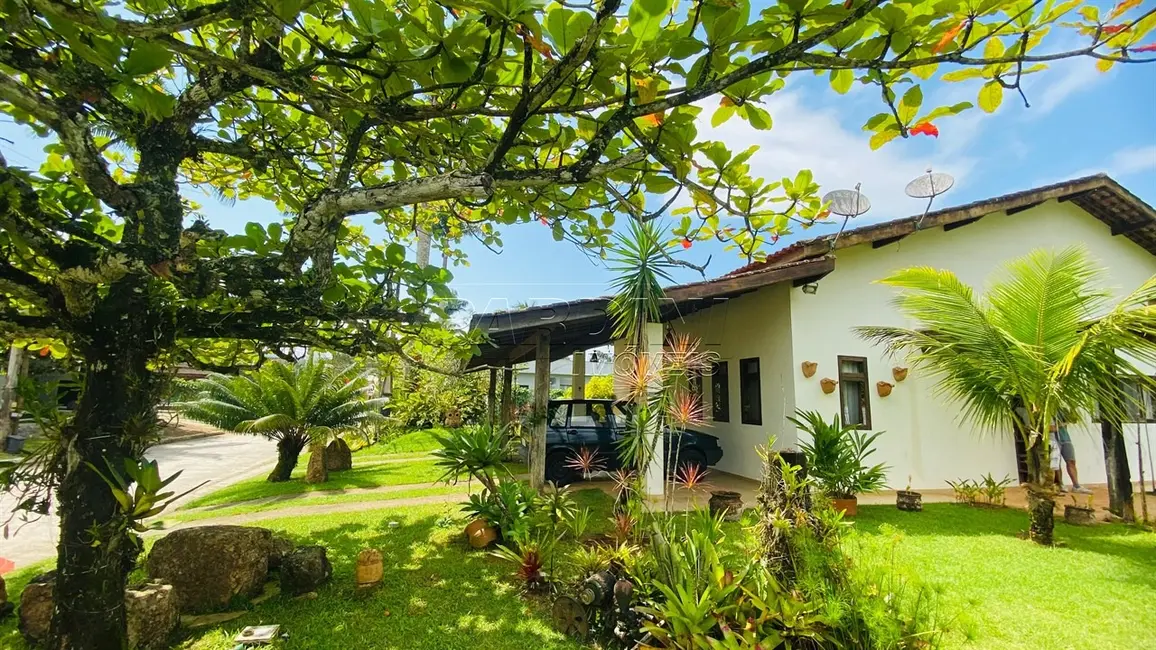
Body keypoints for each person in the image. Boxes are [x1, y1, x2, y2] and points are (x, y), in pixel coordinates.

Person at [1051, 417, 1091, 493]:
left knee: (1071, 461)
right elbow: (1050, 428)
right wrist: (1059, 425)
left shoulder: (1061, 410)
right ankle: (1060, 485)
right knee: (1056, 465)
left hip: (1065, 438)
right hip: (1053, 440)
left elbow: (1074, 419)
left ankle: (1076, 485)